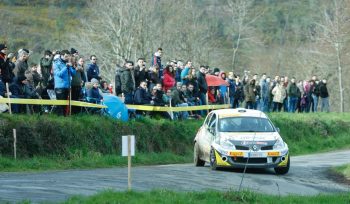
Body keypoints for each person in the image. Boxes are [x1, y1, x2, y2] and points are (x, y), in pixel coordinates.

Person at [53, 50, 76, 116]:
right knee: (60, 106)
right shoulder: (56, 63)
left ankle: (64, 118)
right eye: (66, 56)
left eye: (68, 56)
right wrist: (66, 67)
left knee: (65, 106)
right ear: (62, 56)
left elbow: (73, 73)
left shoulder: (68, 63)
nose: (67, 58)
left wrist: (71, 67)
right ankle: (60, 119)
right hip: (60, 87)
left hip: (67, 87)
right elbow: (59, 74)